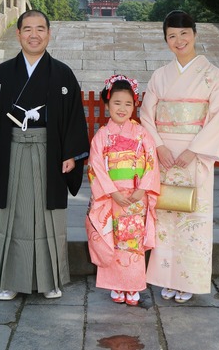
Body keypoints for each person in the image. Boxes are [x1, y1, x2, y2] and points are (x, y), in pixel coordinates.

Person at [0, 9, 89, 300]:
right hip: (11, 152)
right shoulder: (2, 74)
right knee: (13, 214)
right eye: (27, 29)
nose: (34, 35)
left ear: (49, 33)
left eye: (40, 29)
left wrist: (72, 154)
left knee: (49, 216)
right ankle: (9, 280)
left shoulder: (62, 74)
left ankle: (50, 280)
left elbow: (75, 118)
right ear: (18, 34)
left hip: (50, 153)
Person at [140, 10, 219, 303]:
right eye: (172, 36)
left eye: (184, 33)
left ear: (194, 33)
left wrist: (194, 149)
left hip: (196, 154)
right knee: (165, 216)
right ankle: (166, 277)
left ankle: (189, 279)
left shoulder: (212, 75)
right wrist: (159, 147)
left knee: (193, 217)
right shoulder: (159, 76)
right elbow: (146, 114)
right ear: (166, 40)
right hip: (165, 154)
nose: (179, 40)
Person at [86, 75, 160, 306]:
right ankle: (116, 285)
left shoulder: (142, 134)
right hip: (112, 197)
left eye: (128, 104)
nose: (122, 108)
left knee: (133, 242)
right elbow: (96, 167)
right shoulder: (101, 136)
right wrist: (112, 192)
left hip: (136, 196)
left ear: (134, 106)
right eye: (117, 103)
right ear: (107, 104)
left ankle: (133, 286)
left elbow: (151, 163)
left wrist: (143, 189)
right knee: (113, 240)